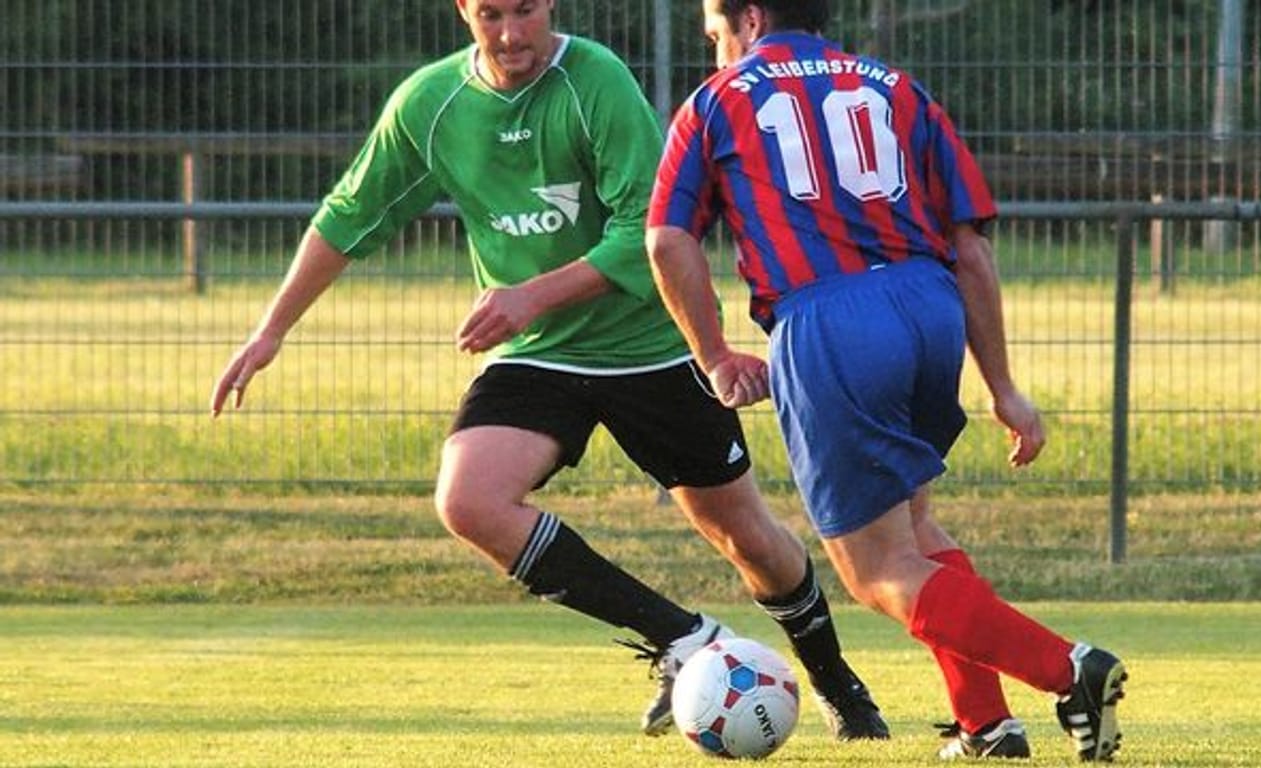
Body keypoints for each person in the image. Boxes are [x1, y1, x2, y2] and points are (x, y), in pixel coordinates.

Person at [209, 0, 888, 743]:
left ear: (551, 6)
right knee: (469, 500)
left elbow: (648, 237)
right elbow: (350, 213)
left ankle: (839, 685)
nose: (510, 33)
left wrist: (529, 295)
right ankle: (686, 641)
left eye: (525, 10)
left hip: (651, 346)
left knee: (745, 535)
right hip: (539, 353)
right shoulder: (431, 104)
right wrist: (270, 331)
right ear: (464, 11)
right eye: (491, 13)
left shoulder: (594, 81)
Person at [647, 0, 1128, 761]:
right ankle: (986, 726)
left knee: (875, 570)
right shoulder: (897, 88)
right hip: (929, 306)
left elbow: (668, 239)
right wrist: (1002, 387)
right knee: (917, 533)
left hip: (832, 319)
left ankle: (1069, 669)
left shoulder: (718, 100)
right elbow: (969, 246)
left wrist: (714, 357)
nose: (716, 53)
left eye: (715, 36)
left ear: (749, 17)